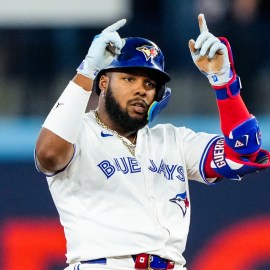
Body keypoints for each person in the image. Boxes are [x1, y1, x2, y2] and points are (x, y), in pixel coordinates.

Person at [35, 14, 270, 270]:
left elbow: (243, 155)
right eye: (129, 78)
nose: (141, 89)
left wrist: (223, 83)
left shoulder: (173, 140)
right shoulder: (76, 133)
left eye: (150, 83)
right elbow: (47, 155)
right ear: (103, 82)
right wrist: (86, 71)